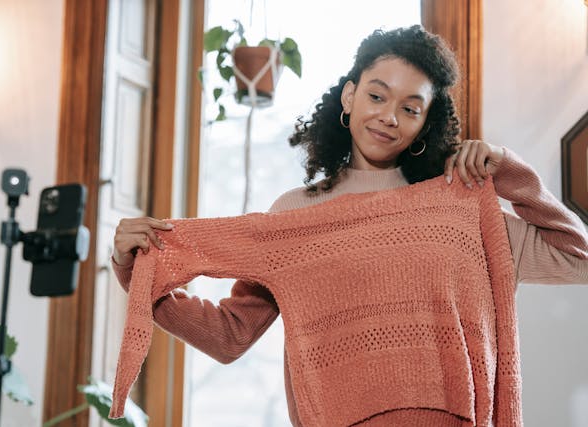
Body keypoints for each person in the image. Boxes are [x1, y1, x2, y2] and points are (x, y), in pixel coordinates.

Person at [111, 26, 588, 426]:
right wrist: (138, 274)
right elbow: (230, 336)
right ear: (350, 94)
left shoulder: (457, 211)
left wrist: (509, 171)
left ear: (426, 121)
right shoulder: (295, 215)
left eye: (410, 107)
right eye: (377, 95)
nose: (388, 117)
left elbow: (577, 258)